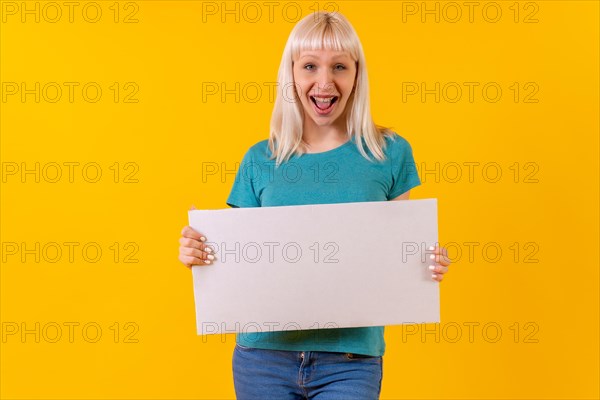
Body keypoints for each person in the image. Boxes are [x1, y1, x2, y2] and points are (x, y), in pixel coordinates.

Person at [178, 11, 451, 400]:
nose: (325, 83)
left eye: (339, 66)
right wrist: (198, 254)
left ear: (357, 74)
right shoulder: (260, 159)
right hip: (263, 358)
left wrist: (424, 265)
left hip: (350, 358)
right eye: (310, 66)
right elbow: (237, 261)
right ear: (291, 74)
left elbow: (399, 253)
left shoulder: (389, 153)